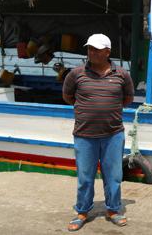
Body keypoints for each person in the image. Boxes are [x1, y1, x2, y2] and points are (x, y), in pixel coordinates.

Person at [62, 33, 134, 231]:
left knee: (114, 176)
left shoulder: (122, 74)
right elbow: (68, 96)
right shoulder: (76, 74)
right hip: (84, 136)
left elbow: (127, 98)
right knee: (85, 177)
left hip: (113, 135)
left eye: (96, 49)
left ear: (107, 52)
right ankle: (82, 211)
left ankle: (113, 210)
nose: (91, 52)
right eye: (89, 48)